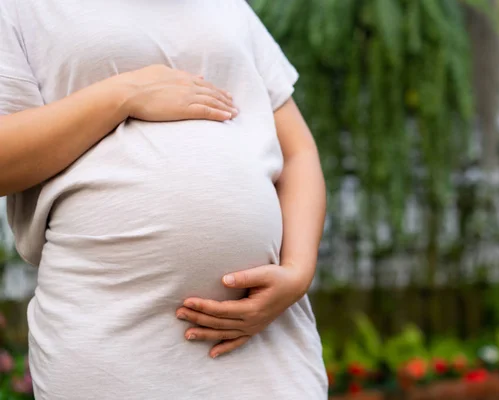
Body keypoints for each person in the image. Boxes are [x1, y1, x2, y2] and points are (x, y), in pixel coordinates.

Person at [0, 0, 327, 398]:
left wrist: (297, 271)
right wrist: (123, 94)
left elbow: (298, 153)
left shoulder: (229, 7)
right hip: (112, 341)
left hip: (265, 342)